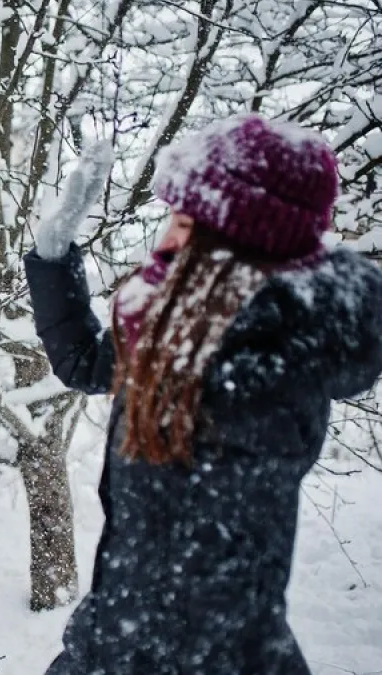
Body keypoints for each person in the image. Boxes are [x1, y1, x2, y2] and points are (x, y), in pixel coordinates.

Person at [26, 114, 382, 673]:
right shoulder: (187, 332)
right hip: (129, 639)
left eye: (184, 222)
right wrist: (53, 260)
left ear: (234, 244)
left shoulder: (258, 373)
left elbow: (185, 606)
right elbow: (85, 363)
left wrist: (88, 656)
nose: (166, 238)